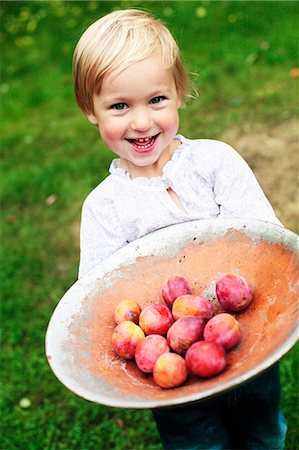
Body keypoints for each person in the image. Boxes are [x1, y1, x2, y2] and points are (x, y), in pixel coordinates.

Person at [72, 8, 287, 449]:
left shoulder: (214, 164)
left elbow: (266, 243)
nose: (142, 122)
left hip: (247, 346)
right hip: (172, 377)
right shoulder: (105, 208)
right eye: (119, 106)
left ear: (179, 92)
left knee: (264, 432)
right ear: (89, 110)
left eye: (157, 100)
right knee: (196, 444)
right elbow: (102, 302)